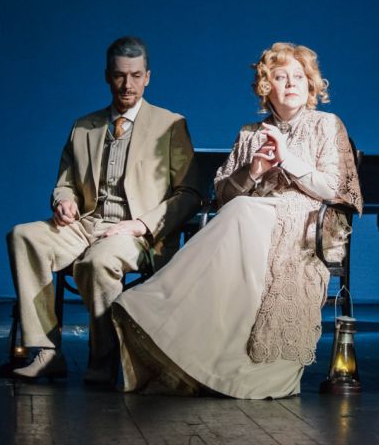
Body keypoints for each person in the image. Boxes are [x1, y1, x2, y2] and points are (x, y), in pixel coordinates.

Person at [111, 42, 362, 399]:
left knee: (244, 211)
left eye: (298, 77)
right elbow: (223, 198)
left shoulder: (326, 124)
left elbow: (334, 189)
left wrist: (287, 160)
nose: (291, 83)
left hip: (306, 228)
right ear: (266, 87)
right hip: (248, 229)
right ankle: (180, 335)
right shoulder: (250, 132)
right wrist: (254, 170)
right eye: (281, 77)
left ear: (310, 84)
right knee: (240, 211)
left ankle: (167, 304)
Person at [7, 36, 201, 383]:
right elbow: (65, 182)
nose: (127, 84)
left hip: (137, 233)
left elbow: (189, 193)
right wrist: (63, 200)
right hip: (85, 225)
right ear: (107, 76)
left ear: (148, 77)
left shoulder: (170, 125)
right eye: (119, 75)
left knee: (97, 263)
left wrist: (141, 225)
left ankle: (104, 360)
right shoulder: (84, 126)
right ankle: (47, 351)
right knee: (23, 236)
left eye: (136, 75)